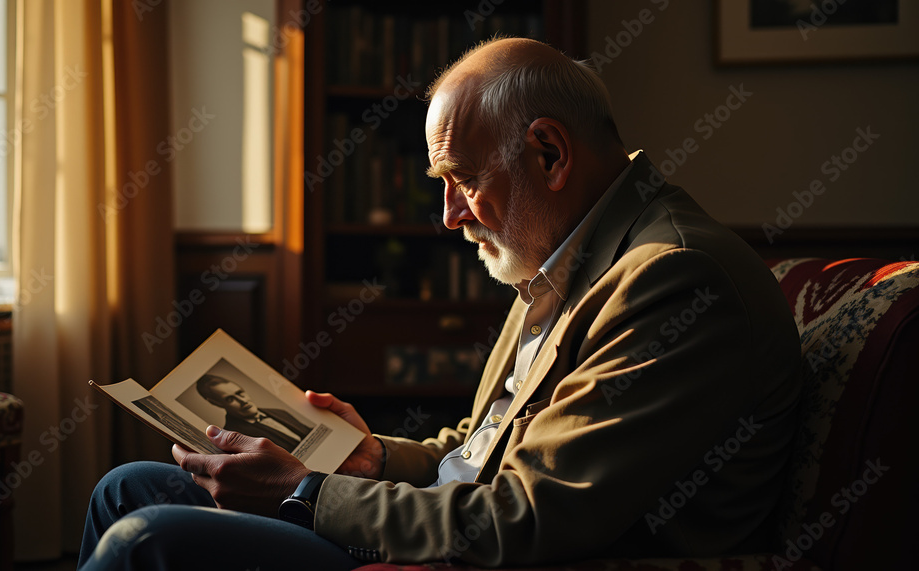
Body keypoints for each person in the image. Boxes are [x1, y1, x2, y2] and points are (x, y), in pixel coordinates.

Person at [77, 38, 801, 570]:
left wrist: (309, 492)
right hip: (458, 525)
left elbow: (529, 516)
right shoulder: (568, 253)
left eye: (460, 178)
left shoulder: (670, 278)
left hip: (495, 558)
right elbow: (484, 445)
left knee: (144, 542)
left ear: (548, 154)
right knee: (126, 487)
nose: (450, 214)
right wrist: (372, 456)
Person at [195, 375, 313, 453]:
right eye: (230, 399)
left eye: (240, 393)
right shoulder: (234, 439)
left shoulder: (279, 412)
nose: (243, 400)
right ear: (216, 403)